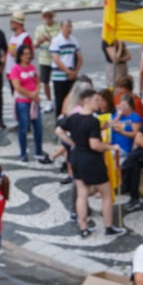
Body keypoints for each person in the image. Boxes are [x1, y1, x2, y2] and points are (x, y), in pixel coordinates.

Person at [57, 88, 123, 238]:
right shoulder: (92, 120)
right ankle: (108, 226)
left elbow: (59, 131)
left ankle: (84, 227)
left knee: (82, 194)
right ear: (87, 101)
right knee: (106, 194)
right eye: (95, 100)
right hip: (92, 160)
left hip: (76, 158)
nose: (98, 102)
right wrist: (111, 147)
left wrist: (72, 143)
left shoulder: (74, 117)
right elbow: (95, 144)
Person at [8, 43, 45, 163]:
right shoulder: (15, 69)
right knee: (23, 128)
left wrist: (37, 92)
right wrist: (32, 95)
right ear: (20, 56)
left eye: (29, 54)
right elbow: (17, 87)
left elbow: (38, 81)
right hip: (22, 102)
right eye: (25, 54)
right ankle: (23, 153)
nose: (28, 56)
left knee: (38, 127)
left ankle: (39, 152)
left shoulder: (32, 68)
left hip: (33, 102)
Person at [48, 19, 83, 114]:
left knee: (72, 100)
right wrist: (68, 71)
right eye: (67, 26)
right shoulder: (56, 41)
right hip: (59, 76)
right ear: (61, 28)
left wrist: (75, 72)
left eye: (71, 26)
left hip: (71, 74)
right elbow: (56, 59)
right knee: (59, 101)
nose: (70, 29)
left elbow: (79, 58)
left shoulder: (74, 40)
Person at [33, 7, 59, 103]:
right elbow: (34, 45)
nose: (47, 18)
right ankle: (49, 101)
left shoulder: (59, 27)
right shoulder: (39, 28)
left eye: (49, 15)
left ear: (53, 16)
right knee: (45, 81)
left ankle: (59, 98)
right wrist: (39, 41)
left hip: (56, 58)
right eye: (45, 16)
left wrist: (49, 40)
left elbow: (60, 43)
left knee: (58, 80)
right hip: (44, 58)